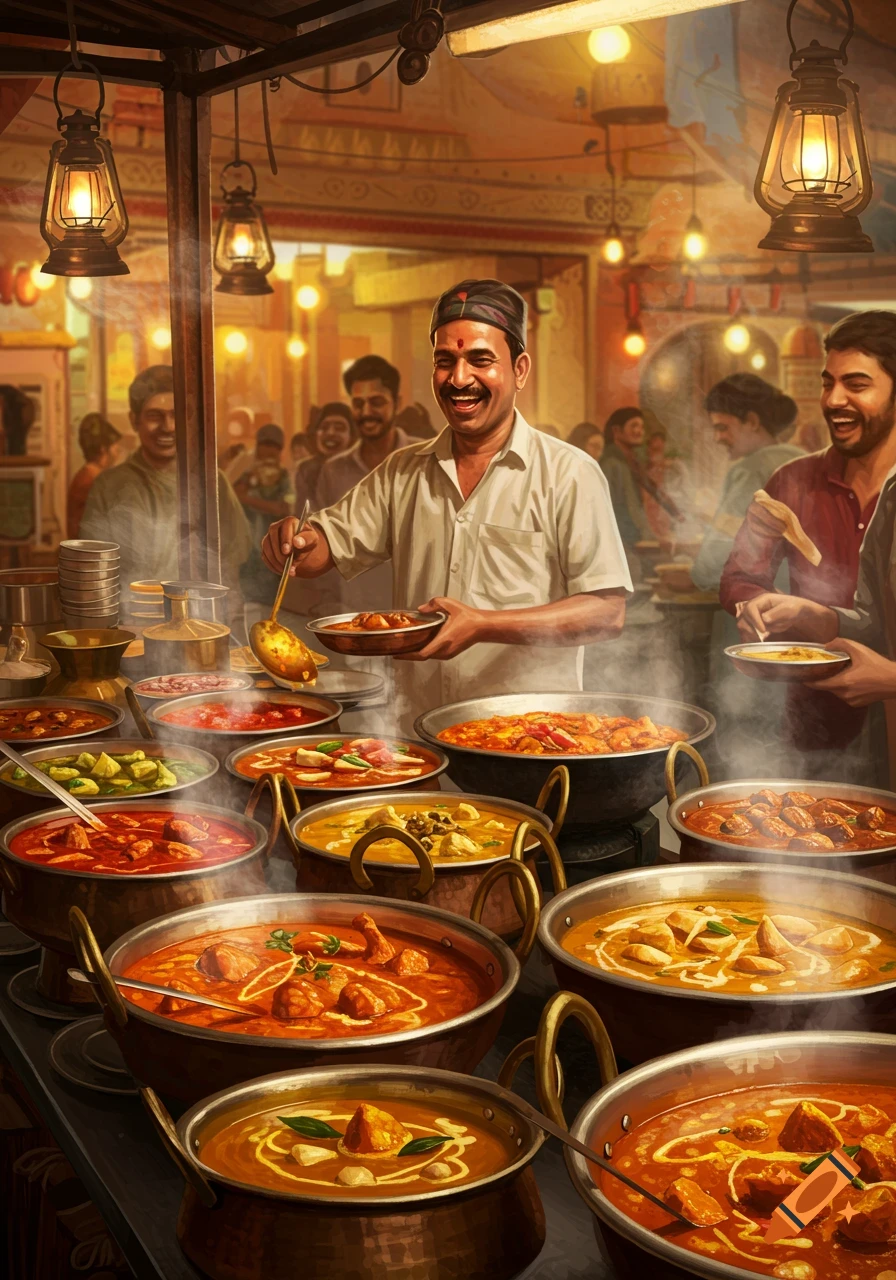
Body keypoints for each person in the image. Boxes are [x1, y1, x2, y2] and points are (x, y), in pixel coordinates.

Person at [261, 277, 631, 719]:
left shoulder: (570, 474)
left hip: (531, 737)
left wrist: (484, 625)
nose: (459, 379)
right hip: (420, 733)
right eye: (445, 361)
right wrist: (297, 542)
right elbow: (326, 547)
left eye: (480, 360)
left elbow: (606, 612)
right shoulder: (404, 470)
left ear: (519, 369)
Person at [721, 312, 896, 772]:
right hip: (814, 724)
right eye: (828, 383)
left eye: (856, 385)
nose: (834, 399)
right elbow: (740, 578)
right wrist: (762, 606)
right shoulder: (794, 481)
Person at [80, 365, 251, 602]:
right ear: (134, 420)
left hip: (201, 624)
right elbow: (92, 575)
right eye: (154, 416)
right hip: (132, 625)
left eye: (176, 415)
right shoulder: (109, 487)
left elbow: (234, 566)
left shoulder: (213, 482)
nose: (168, 427)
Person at [690, 375, 803, 592]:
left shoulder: (749, 471)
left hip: (759, 607)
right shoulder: (803, 459)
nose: (717, 438)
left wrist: (696, 575)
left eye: (722, 427)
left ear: (752, 421)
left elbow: (717, 558)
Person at [235, 423, 295, 609]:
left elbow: (284, 508)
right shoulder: (248, 474)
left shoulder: (285, 477)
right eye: (265, 445)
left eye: (274, 446)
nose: (269, 450)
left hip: (274, 550)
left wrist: (247, 499)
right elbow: (234, 495)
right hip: (249, 553)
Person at [599, 407, 652, 549]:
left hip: (632, 539)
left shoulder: (632, 461)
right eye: (634, 426)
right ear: (616, 431)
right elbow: (608, 508)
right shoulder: (611, 463)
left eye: (641, 427)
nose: (639, 431)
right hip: (621, 543)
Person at [293, 403, 355, 515]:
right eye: (324, 427)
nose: (331, 433)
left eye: (339, 428)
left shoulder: (361, 468)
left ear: (351, 436)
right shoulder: (306, 470)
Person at [68, 413, 122, 538]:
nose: (118, 450)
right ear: (103, 449)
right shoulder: (90, 482)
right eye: (114, 445)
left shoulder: (88, 476)